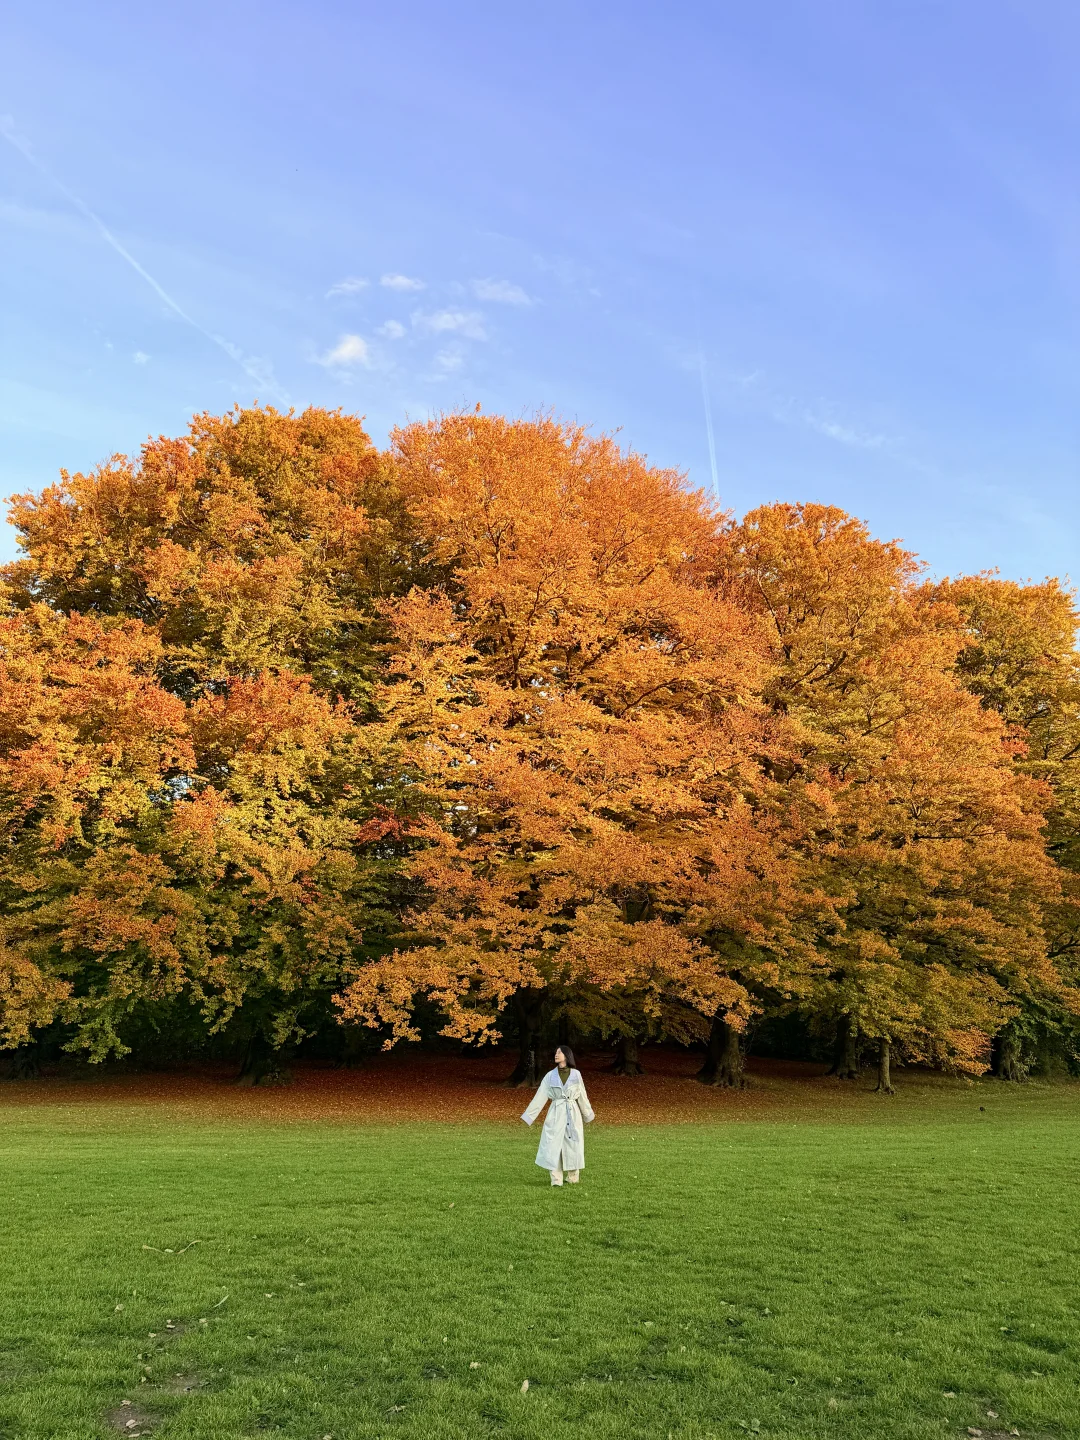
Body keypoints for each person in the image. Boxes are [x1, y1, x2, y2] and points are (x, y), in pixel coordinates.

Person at [520, 1045, 595, 1185]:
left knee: (574, 1144)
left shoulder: (576, 1074)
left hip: (573, 1113)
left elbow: (582, 1095)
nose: (556, 1054)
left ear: (567, 1055)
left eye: (559, 1052)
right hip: (556, 1112)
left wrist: (588, 1114)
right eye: (556, 1052)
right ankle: (556, 1179)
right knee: (553, 1144)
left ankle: (573, 1178)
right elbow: (540, 1096)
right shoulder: (550, 1076)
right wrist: (529, 1116)